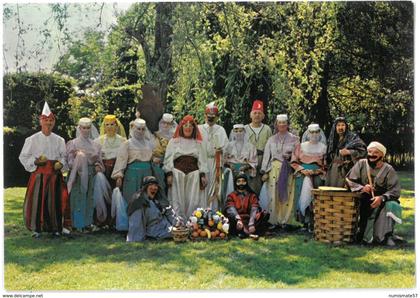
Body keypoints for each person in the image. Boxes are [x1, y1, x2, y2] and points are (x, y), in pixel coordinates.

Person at [19, 102, 71, 238]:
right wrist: (35, 161)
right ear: (41, 122)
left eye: (51, 121)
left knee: (55, 201)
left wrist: (61, 164)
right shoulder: (32, 139)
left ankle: (55, 227)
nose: (48, 123)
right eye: (46, 120)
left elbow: (64, 156)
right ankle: (37, 228)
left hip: (54, 175)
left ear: (54, 123)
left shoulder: (59, 140)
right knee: (38, 200)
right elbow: (23, 156)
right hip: (39, 175)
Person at [346, 141, 402, 246]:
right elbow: (349, 180)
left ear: (382, 155)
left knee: (392, 205)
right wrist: (362, 188)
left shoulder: (389, 169)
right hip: (363, 198)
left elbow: (395, 190)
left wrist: (381, 198)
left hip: (382, 201)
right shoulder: (361, 163)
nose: (371, 154)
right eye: (370, 151)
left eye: (375, 152)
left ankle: (386, 235)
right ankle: (363, 235)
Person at [163, 115, 208, 220]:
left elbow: (202, 160)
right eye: (185, 125)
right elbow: (168, 159)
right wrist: (169, 174)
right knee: (177, 198)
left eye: (190, 126)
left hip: (194, 175)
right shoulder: (174, 141)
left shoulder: (198, 143)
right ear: (181, 127)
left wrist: (202, 175)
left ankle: (193, 221)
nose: (188, 128)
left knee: (193, 199)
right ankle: (178, 221)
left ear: (194, 128)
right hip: (177, 174)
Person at [260, 114, 299, 227]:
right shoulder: (271, 139)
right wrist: (264, 171)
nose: (282, 125)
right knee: (273, 194)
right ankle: (273, 220)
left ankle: (286, 220)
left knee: (287, 193)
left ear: (287, 124)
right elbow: (267, 155)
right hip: (274, 169)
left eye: (284, 123)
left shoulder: (294, 139)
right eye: (279, 123)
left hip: (288, 168)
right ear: (276, 124)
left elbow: (297, 155)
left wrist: (291, 159)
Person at [66, 117, 104, 232]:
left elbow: (99, 160)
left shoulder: (96, 145)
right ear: (79, 128)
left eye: (88, 128)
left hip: (91, 174)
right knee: (77, 197)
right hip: (77, 175)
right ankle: (77, 223)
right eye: (84, 128)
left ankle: (88, 222)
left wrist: (98, 165)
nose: (86, 130)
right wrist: (78, 159)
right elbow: (69, 161)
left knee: (89, 197)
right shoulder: (73, 143)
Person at [112, 118, 160, 203]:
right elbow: (121, 160)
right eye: (138, 129)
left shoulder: (149, 144)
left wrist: (154, 159)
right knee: (131, 199)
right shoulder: (127, 144)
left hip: (147, 175)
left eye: (143, 129)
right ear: (134, 128)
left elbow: (151, 157)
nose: (140, 131)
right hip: (132, 175)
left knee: (146, 200)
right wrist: (119, 176)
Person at [291, 123, 327, 231]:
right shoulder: (300, 146)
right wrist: (303, 170)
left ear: (319, 133)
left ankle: (313, 223)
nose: (314, 134)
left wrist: (316, 171)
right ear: (308, 133)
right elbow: (293, 162)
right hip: (302, 174)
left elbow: (326, 165)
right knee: (301, 197)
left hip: (316, 176)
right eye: (312, 132)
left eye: (316, 132)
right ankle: (303, 223)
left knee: (314, 199)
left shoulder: (324, 148)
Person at [94, 115, 127, 228]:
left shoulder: (123, 141)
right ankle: (103, 221)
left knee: (117, 193)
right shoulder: (98, 141)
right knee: (101, 194)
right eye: (107, 125)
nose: (109, 127)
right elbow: (95, 158)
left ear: (117, 126)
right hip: (104, 171)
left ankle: (115, 221)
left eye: (112, 124)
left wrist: (119, 175)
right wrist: (97, 166)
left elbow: (124, 158)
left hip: (117, 170)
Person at [126, 176, 178, 242]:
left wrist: (177, 223)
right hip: (154, 231)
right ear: (145, 187)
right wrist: (137, 239)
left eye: (156, 185)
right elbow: (136, 224)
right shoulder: (138, 202)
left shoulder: (159, 198)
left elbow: (169, 212)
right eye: (151, 185)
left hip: (167, 226)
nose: (154, 188)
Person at [198, 102, 229, 211]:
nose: (210, 118)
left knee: (215, 187)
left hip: (215, 162)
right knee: (202, 186)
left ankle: (214, 213)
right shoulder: (199, 129)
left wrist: (221, 150)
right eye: (208, 116)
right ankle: (200, 214)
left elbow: (226, 147)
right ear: (205, 116)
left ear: (217, 117)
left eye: (213, 117)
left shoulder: (221, 130)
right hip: (202, 161)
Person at [224, 173, 269, 238]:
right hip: (237, 221)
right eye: (238, 181)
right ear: (235, 183)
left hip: (250, 219)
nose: (241, 183)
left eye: (243, 181)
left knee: (264, 214)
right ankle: (250, 234)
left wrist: (251, 223)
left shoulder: (252, 195)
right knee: (230, 218)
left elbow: (254, 209)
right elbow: (230, 208)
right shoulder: (231, 195)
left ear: (246, 182)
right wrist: (238, 220)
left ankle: (243, 233)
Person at [325, 117, 366, 187]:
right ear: (335, 127)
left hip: (347, 168)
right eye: (338, 125)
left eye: (342, 125)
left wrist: (349, 152)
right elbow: (328, 154)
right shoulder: (332, 139)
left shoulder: (353, 137)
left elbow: (363, 150)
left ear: (346, 126)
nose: (340, 127)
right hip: (333, 170)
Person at [222, 124, 257, 203]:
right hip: (231, 172)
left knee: (244, 192)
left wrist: (245, 167)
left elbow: (254, 161)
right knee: (230, 191)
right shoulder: (228, 146)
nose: (238, 133)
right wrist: (229, 165)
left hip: (245, 172)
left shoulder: (251, 146)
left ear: (244, 132)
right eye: (236, 131)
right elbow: (223, 161)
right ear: (233, 132)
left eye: (241, 131)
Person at [245, 100, 272, 194]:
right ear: (250, 115)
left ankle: (260, 207)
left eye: (259, 113)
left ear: (263, 116)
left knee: (261, 186)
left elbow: (270, 149)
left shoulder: (267, 129)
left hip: (262, 159)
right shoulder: (245, 129)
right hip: (249, 161)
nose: (257, 115)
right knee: (248, 184)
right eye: (255, 113)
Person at [152, 113, 177, 189]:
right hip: (155, 165)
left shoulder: (175, 137)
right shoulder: (153, 134)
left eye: (168, 124)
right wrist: (152, 158)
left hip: (171, 165)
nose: (166, 125)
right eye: (164, 123)